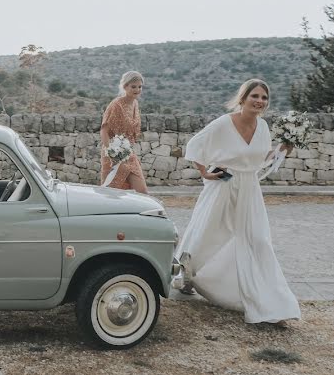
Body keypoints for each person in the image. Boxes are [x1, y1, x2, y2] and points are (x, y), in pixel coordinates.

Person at [175, 78, 300, 325]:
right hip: (223, 185)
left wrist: (282, 150)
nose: (260, 101)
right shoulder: (224, 123)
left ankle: (269, 303)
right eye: (255, 96)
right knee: (208, 234)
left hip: (249, 189)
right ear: (242, 98)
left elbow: (260, 157)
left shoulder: (263, 127)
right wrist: (205, 172)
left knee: (258, 240)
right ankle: (187, 274)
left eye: (264, 98)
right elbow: (195, 144)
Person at [100, 70, 148, 193]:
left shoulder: (135, 104)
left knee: (142, 192)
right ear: (125, 86)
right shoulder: (116, 104)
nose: (137, 90)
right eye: (133, 87)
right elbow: (104, 131)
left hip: (129, 154)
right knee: (112, 194)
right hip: (114, 155)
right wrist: (112, 154)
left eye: (139, 87)